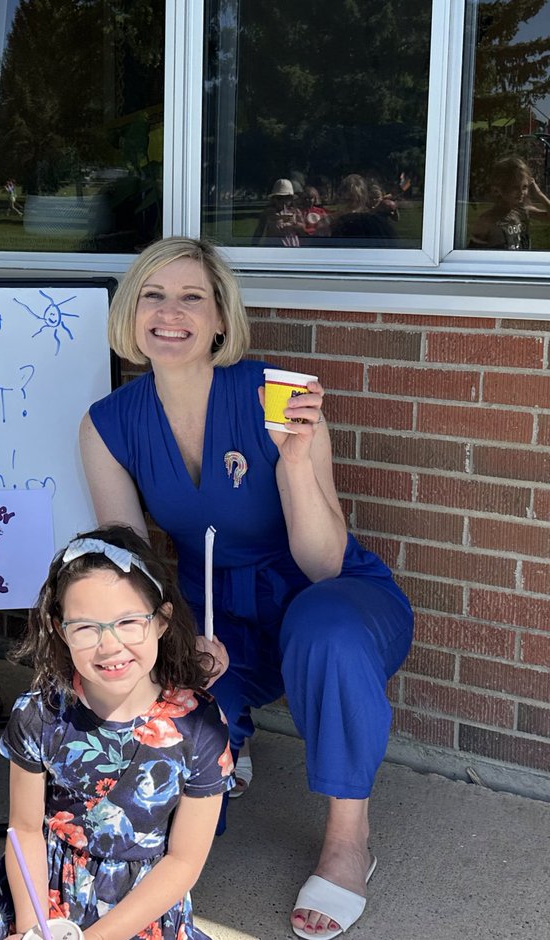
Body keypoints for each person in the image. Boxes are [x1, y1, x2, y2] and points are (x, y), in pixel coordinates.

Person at [79, 237, 413, 939]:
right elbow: (127, 563)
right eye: (153, 295)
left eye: (192, 297)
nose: (170, 314)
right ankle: (233, 739)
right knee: (178, 710)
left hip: (331, 600)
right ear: (130, 313)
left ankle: (349, 839)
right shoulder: (109, 423)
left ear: (222, 318)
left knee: (325, 632)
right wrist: (168, 644)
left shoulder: (274, 394)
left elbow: (324, 562)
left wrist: (294, 462)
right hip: (212, 611)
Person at [0, 525, 233, 940]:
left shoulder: (200, 729)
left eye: (129, 621)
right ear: (62, 632)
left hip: (144, 907)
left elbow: (184, 862)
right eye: (86, 628)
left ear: (162, 621)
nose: (109, 646)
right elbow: (24, 830)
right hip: (47, 897)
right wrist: (32, 927)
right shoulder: (40, 714)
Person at [467, 155, 550, 250]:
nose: (521, 192)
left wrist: (539, 194)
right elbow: (474, 253)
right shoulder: (487, 220)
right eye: (515, 187)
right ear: (498, 189)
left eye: (524, 187)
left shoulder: (523, 210)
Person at [329, 173, 396, 244]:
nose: (352, 206)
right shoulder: (330, 222)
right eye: (348, 201)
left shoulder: (376, 223)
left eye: (356, 200)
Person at [251, 179, 305, 247]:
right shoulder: (267, 213)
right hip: (272, 246)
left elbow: (303, 231)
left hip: (291, 246)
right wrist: (253, 246)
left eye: (287, 198)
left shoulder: (296, 212)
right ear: (274, 199)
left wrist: (295, 224)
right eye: (280, 198)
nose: (283, 201)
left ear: (291, 199)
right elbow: (259, 230)